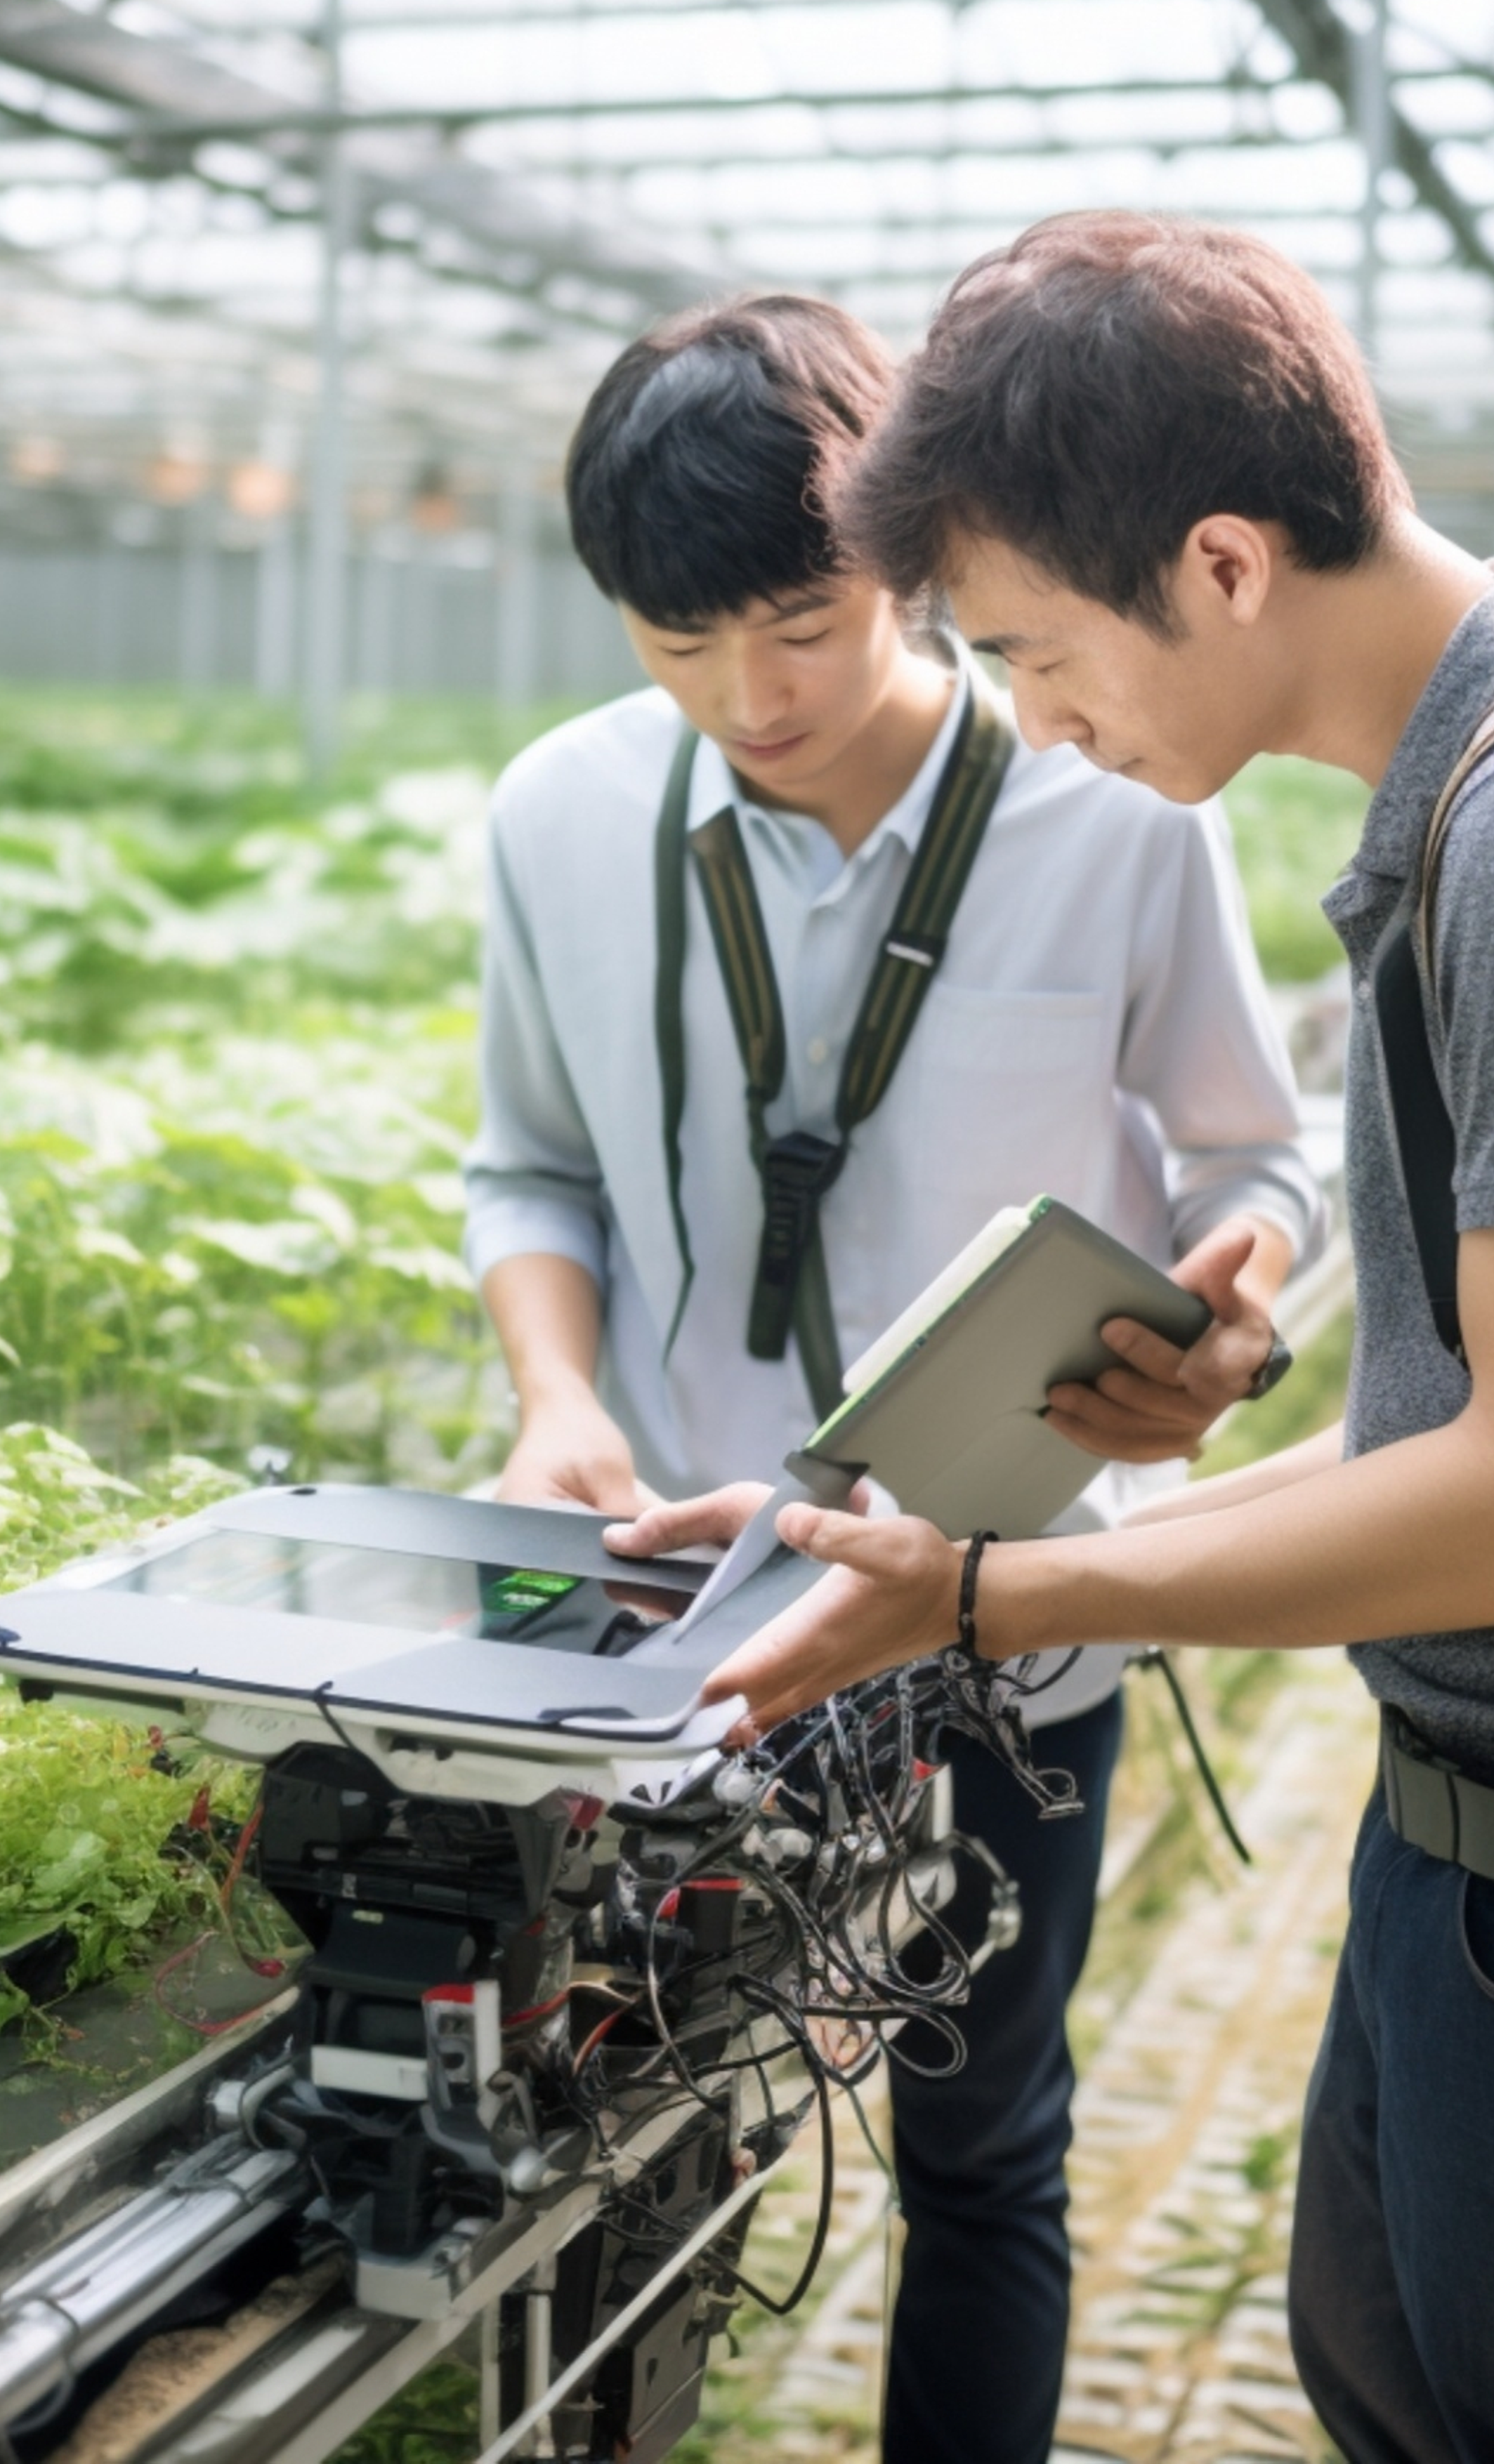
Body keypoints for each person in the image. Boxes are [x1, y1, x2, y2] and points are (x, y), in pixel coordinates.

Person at [607, 216, 1494, 2464]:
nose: (1036, 720)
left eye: (1031, 649)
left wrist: (1005, 1593)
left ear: (1222, 564)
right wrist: (961, 1537)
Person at [461, 291, 1324, 2464]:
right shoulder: (559, 821)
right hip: (679, 1613)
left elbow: (1257, 1156)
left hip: (1001, 1612)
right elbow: (531, 1168)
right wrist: (555, 1399)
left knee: (983, 2156)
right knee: (596, 2142)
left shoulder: (1115, 806)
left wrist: (1241, 1299)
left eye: (802, 623)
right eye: (676, 646)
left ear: (910, 564)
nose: (747, 698)